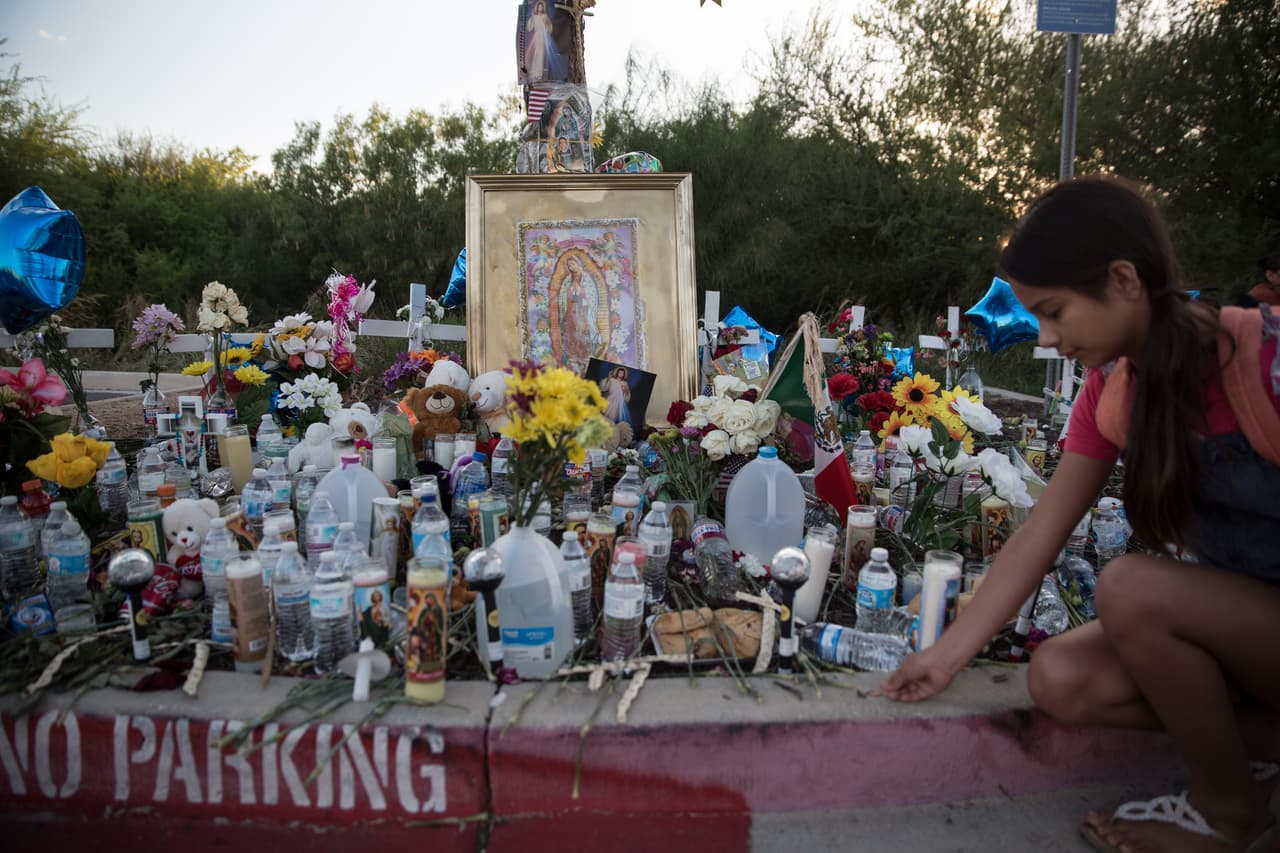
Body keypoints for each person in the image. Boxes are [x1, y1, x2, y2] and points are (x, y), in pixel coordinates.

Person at [882, 175, 1280, 852]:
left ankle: (1230, 812)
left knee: (1129, 586)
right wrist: (946, 656)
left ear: (1123, 280)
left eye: (1055, 311)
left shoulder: (1261, 359)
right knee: (1059, 678)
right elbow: (1041, 531)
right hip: (1250, 633)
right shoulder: (1112, 391)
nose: (1046, 337)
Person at [522, 0, 567, 83]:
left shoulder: (545, 16)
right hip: (536, 36)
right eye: (539, 6)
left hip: (543, 36)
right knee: (535, 54)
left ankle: (539, 73)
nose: (540, 7)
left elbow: (549, 26)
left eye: (541, 6)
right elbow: (529, 28)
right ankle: (533, 72)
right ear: (537, 7)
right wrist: (532, 17)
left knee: (541, 54)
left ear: (543, 7)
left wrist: (547, 29)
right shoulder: (534, 16)